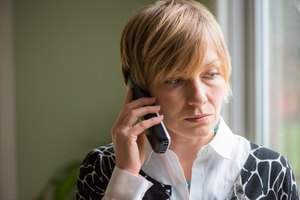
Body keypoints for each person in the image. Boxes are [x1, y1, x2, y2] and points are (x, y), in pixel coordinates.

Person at [76, 0, 299, 199]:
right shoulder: (103, 167)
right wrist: (125, 178)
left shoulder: (272, 172)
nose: (199, 98)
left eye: (210, 74)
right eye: (175, 80)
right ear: (139, 89)